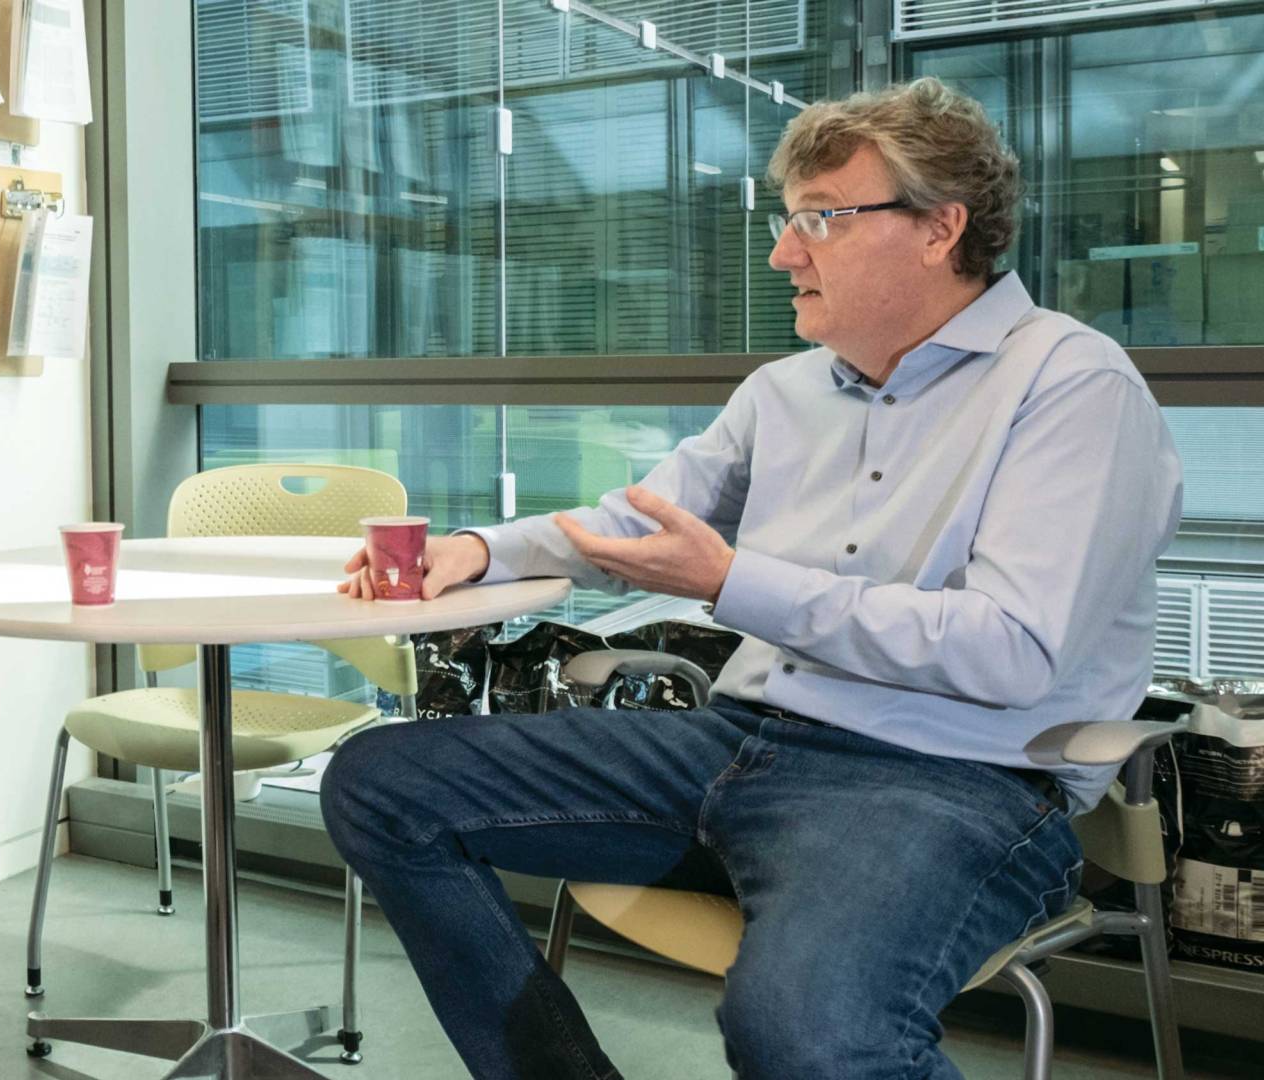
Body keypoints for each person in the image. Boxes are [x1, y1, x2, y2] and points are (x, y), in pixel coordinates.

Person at [324, 78, 1184, 1080]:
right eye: (788, 222)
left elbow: (1012, 651)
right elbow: (638, 525)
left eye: (823, 220)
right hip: (742, 744)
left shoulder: (1072, 386)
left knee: (807, 1035)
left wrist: (737, 582)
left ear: (941, 228)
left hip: (951, 780)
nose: (784, 253)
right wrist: (480, 550)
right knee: (383, 784)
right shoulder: (782, 392)